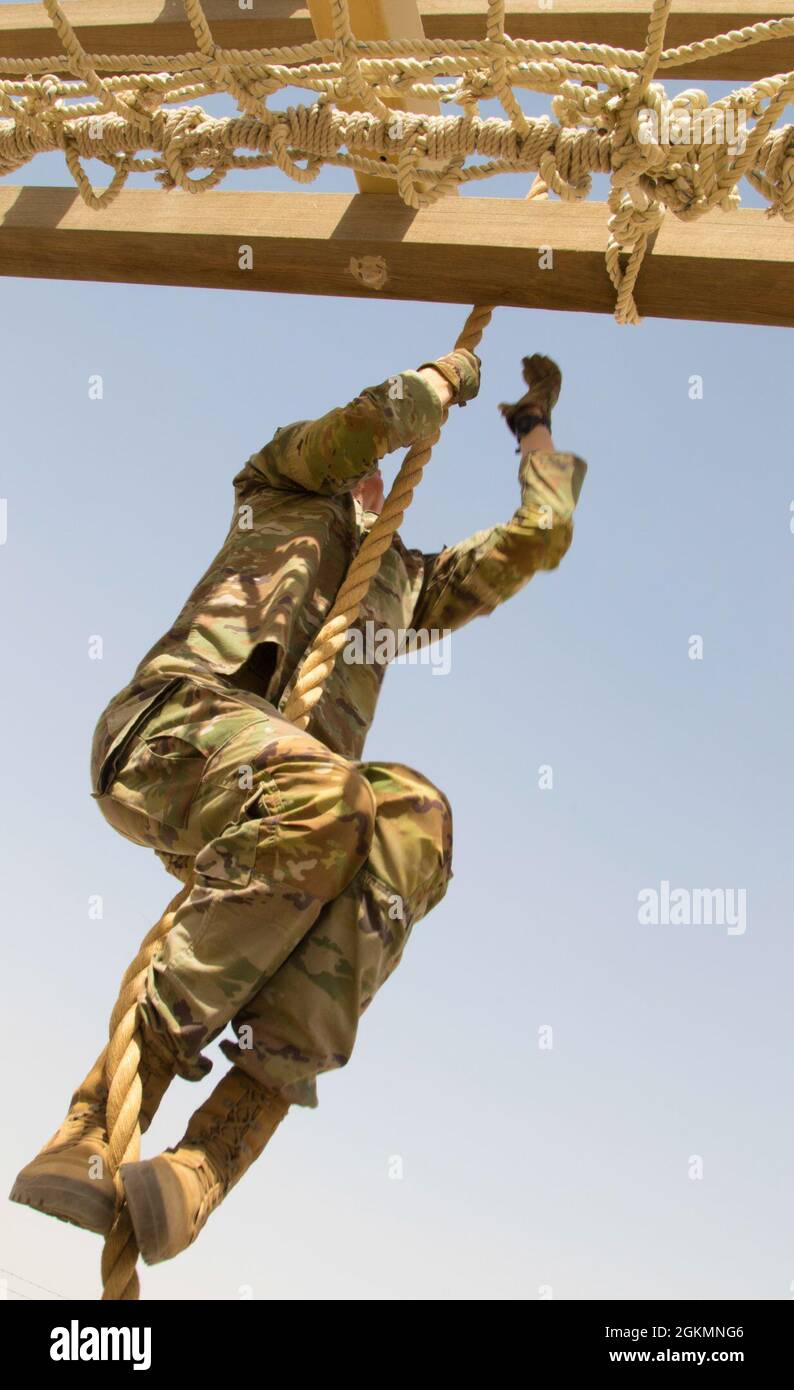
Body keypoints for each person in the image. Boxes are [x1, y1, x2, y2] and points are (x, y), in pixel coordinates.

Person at [12, 350, 586, 1265]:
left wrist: (533, 430)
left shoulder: (403, 586)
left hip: (294, 812)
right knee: (329, 794)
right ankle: (96, 1119)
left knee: (414, 819)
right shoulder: (279, 483)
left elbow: (540, 536)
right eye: (368, 460)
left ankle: (211, 1156)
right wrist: (440, 380)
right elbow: (370, 422)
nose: (373, 468)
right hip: (173, 734)